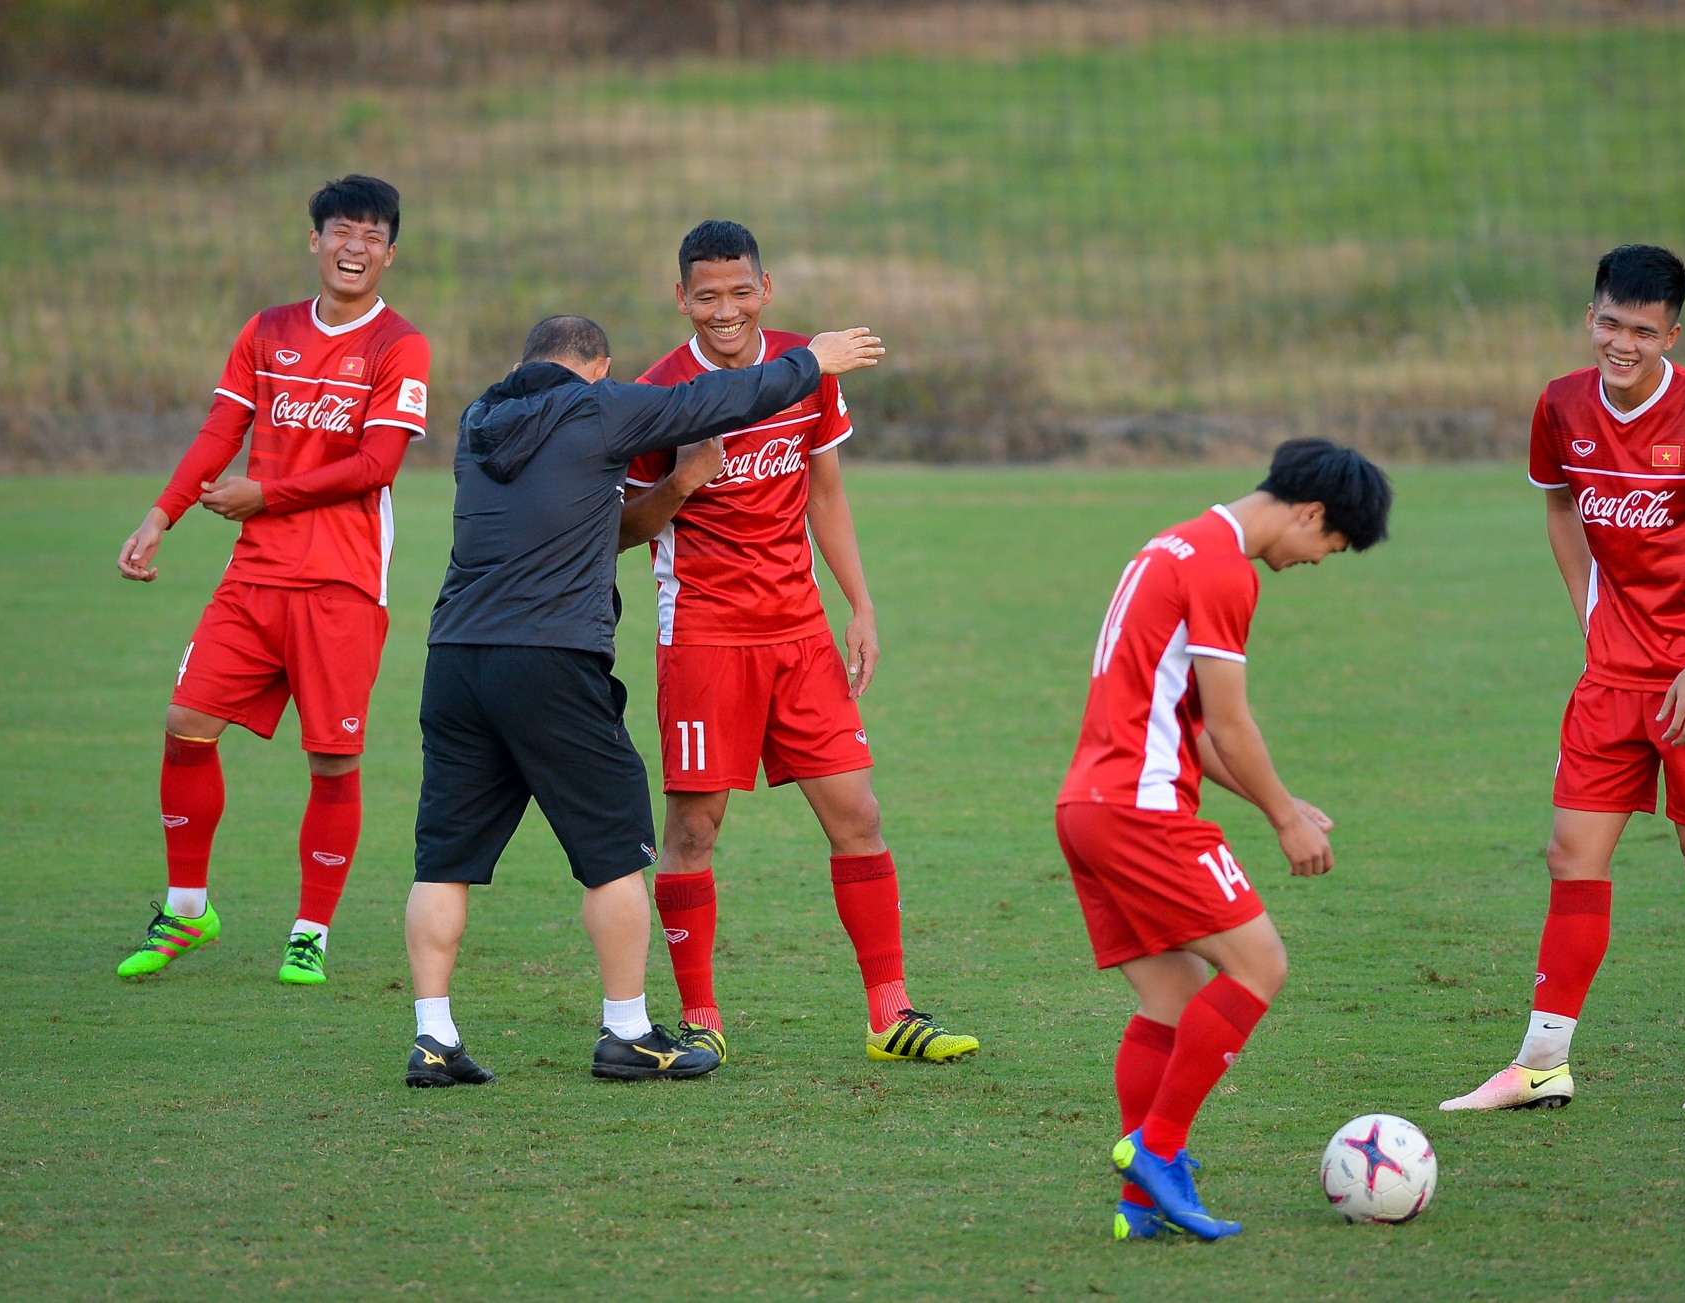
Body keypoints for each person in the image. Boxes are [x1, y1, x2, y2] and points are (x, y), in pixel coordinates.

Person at [403, 313, 885, 1088]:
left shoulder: (479, 420)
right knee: (616, 850)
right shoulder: (600, 406)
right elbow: (714, 398)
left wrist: (677, 484)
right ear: (598, 369)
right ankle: (627, 1031)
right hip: (552, 657)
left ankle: (433, 1036)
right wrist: (814, 360)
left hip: (455, 656)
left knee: (443, 858)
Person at [616, 220, 978, 1064]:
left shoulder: (805, 369)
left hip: (800, 631)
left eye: (741, 292)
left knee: (859, 814)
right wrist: (684, 480)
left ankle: (891, 1014)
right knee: (694, 830)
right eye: (707, 295)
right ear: (681, 298)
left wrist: (860, 604)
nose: (726, 310)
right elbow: (624, 529)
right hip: (703, 634)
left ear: (766, 289)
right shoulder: (658, 393)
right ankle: (701, 1019)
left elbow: (825, 493)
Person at [1441, 244, 1685, 1114]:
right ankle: (1542, 1062)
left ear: (1673, 335)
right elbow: (1559, 503)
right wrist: (1588, 610)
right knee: (1571, 854)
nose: (1622, 343)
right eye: (1610, 323)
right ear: (1589, 317)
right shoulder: (1560, 404)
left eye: (1643, 331)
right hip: (1613, 670)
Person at [1059, 439, 1392, 1241]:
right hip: (1142, 811)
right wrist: (1283, 819)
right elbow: (1230, 721)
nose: (1319, 560)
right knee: (1260, 962)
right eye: (1331, 545)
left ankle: (1140, 1205)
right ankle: (1159, 1148)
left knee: (1172, 997)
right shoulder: (1224, 568)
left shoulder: (1173, 543)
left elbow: (1191, 728)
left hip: (1087, 806)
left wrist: (1279, 796)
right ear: (1311, 513)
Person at [113, 175, 428, 986]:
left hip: (342, 585)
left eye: (372, 236)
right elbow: (222, 429)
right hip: (255, 575)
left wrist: (268, 494)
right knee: (186, 723)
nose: (355, 247)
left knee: (332, 759)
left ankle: (309, 932)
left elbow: (377, 464)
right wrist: (162, 514)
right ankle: (189, 909)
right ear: (315, 240)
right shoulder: (267, 330)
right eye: (342, 230)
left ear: (390, 254)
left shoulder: (401, 345)